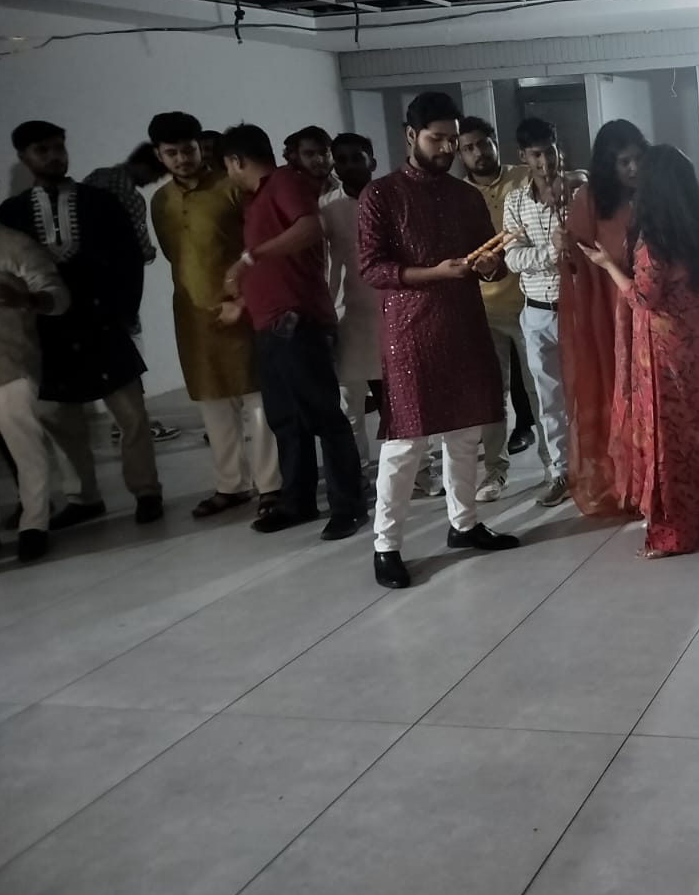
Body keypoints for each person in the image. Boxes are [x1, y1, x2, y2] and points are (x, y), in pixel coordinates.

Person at [358, 91, 520, 589]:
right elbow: (372, 269)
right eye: (437, 139)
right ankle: (386, 546)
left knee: (466, 434)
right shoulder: (381, 195)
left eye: (453, 139)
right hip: (410, 333)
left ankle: (463, 524)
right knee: (406, 444)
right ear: (411, 136)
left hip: (464, 325)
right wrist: (434, 273)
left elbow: (491, 262)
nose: (448, 148)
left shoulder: (465, 196)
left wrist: (490, 265)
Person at [0, 121, 163, 527]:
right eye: (42, 150)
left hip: (104, 324)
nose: (55, 156)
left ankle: (145, 490)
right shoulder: (12, 213)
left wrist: (124, 314)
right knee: (61, 421)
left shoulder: (100, 202)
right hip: (48, 333)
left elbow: (129, 260)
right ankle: (83, 496)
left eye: (59, 147)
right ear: (24, 158)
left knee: (131, 415)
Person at [580, 145, 699, 556]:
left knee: (669, 434)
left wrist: (608, 265)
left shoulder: (654, 239)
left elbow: (644, 297)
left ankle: (674, 531)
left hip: (664, 349)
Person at [217, 123, 364, 540]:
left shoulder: (285, 182)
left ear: (236, 161)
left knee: (323, 417)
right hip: (270, 326)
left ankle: (349, 506)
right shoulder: (258, 200)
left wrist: (249, 257)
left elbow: (309, 228)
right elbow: (274, 269)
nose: (228, 174)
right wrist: (242, 302)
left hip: (298, 322)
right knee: (286, 421)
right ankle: (297, 502)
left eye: (226, 166)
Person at [148, 112, 282, 520]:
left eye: (188, 149)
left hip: (243, 308)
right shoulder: (161, 201)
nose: (182, 159)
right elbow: (175, 256)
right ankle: (231, 485)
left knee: (258, 401)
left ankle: (271, 486)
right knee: (213, 403)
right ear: (158, 156)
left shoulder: (231, 188)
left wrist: (242, 301)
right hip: (193, 316)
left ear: (200, 147)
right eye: (172, 153)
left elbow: (260, 248)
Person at [561, 117, 646, 517]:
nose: (633, 168)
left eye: (637, 158)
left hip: (651, 311)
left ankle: (650, 482)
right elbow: (576, 261)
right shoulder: (591, 200)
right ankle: (620, 482)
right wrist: (569, 253)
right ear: (607, 166)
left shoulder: (655, 191)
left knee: (649, 399)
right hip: (609, 315)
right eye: (623, 162)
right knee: (616, 394)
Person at [458, 116, 535, 502]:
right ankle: (495, 472)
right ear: (460, 154)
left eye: (483, 143)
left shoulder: (523, 176)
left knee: (541, 391)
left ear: (494, 142)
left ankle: (557, 468)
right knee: (493, 394)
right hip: (482, 309)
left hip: (530, 301)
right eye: (468, 148)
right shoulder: (456, 194)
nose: (478, 153)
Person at [84, 141, 181, 443]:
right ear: (145, 166)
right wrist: (152, 251)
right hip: (117, 287)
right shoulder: (130, 196)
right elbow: (140, 249)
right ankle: (134, 422)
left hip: (87, 286)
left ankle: (122, 421)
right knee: (130, 353)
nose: (154, 182)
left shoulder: (96, 177)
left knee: (110, 357)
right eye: (156, 174)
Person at [500, 117, 575, 508]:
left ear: (558, 148)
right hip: (536, 313)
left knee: (586, 394)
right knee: (549, 399)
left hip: (577, 312)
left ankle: (598, 471)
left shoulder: (579, 193)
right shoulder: (515, 201)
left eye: (550, 152)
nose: (545, 162)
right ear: (523, 157)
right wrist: (550, 252)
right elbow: (512, 258)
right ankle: (561, 471)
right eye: (536, 155)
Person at [0, 197, 69, 561]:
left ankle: (34, 525)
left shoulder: (13, 244)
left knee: (25, 450)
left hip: (11, 365)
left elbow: (59, 297)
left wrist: (25, 299)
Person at [322, 133, 384, 465]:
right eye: (341, 160)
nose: (348, 166)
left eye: (356, 158)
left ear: (372, 162)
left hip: (388, 314)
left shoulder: (391, 199)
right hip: (345, 316)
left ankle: (418, 472)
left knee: (398, 405)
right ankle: (358, 470)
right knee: (350, 406)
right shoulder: (326, 207)